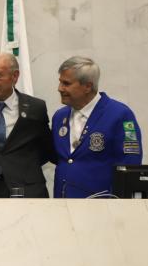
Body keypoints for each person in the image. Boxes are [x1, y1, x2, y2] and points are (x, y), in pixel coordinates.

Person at [0, 52, 53, 197]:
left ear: (15, 76)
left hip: (26, 189)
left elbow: (45, 149)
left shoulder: (35, 107)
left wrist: (20, 164)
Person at [52, 56, 142, 198]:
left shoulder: (120, 115)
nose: (60, 88)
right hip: (63, 206)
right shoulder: (59, 117)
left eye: (66, 83)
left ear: (87, 86)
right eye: (60, 82)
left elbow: (130, 163)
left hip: (102, 207)